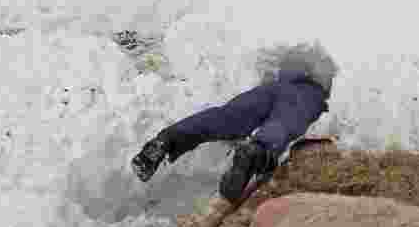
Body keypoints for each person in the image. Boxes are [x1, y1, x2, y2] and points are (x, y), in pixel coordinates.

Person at [131, 42, 338, 203]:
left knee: (228, 115)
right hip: (310, 91)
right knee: (283, 122)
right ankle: (256, 152)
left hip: (276, 84)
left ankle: (166, 140)